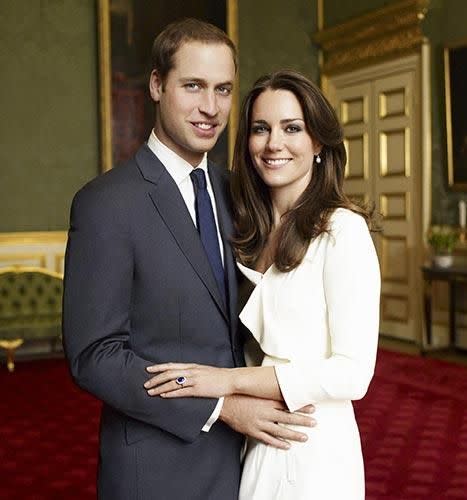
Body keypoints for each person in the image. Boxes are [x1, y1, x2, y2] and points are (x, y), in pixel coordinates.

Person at [62, 21, 314, 500]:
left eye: (223, 90)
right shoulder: (105, 204)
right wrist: (222, 406)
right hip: (156, 467)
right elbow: (94, 356)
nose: (211, 108)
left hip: (248, 460)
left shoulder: (236, 191)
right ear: (157, 85)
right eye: (193, 86)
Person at [144, 70, 381, 499]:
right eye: (261, 128)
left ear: (319, 144)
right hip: (253, 439)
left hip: (312, 444)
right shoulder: (245, 231)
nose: (274, 143)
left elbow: (353, 374)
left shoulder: (342, 232)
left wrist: (226, 381)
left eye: (292, 128)